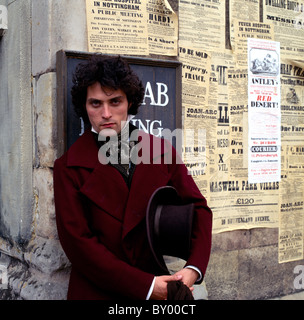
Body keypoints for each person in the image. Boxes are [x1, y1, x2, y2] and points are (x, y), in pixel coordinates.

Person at [53, 55, 212, 300]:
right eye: (96, 103)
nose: (106, 113)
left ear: (129, 102)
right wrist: (147, 287)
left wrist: (192, 269)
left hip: (163, 284)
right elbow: (79, 244)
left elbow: (199, 209)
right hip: (98, 291)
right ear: (85, 107)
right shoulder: (68, 167)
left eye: (115, 101)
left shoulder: (161, 150)